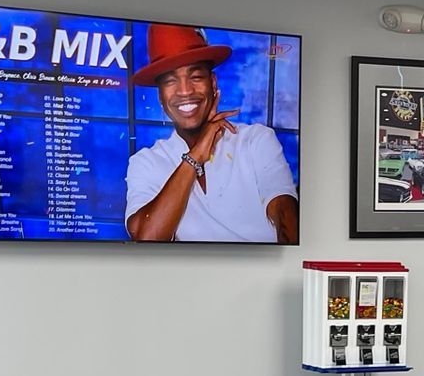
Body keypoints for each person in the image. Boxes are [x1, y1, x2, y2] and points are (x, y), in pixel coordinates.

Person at [124, 23, 298, 243]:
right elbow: (146, 238)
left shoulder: (255, 140)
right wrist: (195, 156)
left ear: (213, 83)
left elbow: (286, 218)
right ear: (160, 97)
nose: (185, 91)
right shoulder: (146, 161)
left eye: (196, 77)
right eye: (170, 81)